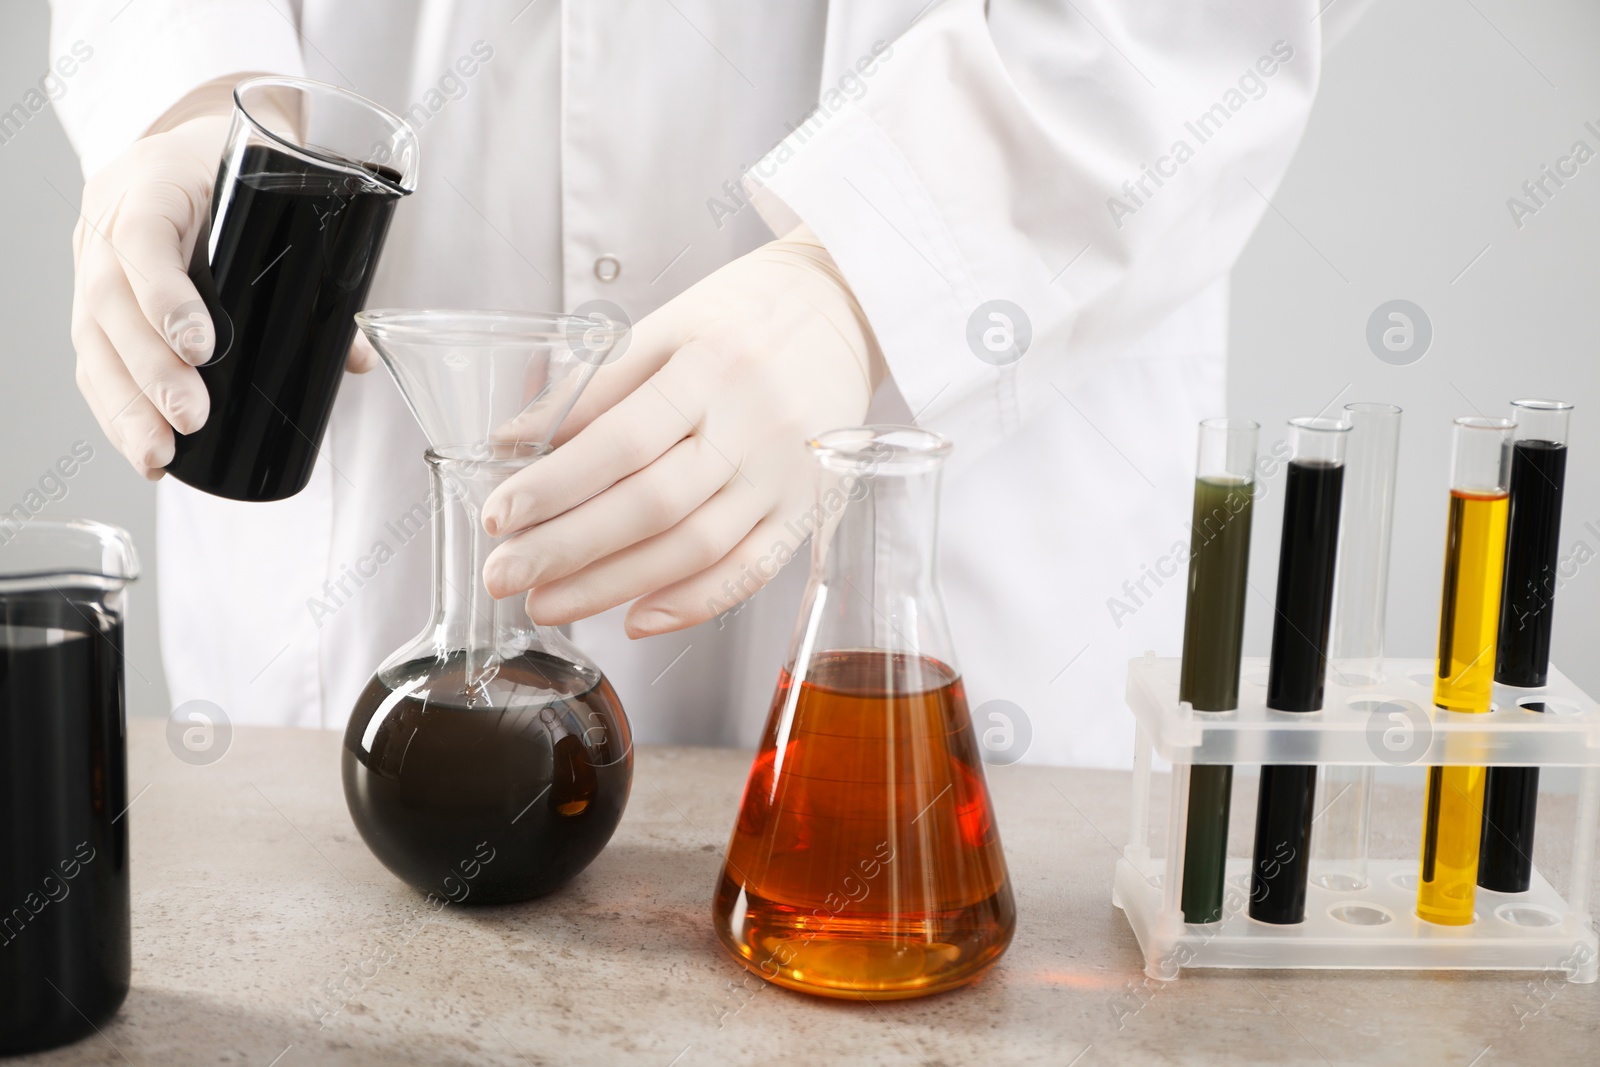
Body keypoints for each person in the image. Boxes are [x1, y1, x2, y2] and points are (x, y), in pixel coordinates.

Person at [50, 0, 1372, 765]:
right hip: (368, 476)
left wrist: (864, 278)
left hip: (954, 415)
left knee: (894, 924)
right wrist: (195, 109)